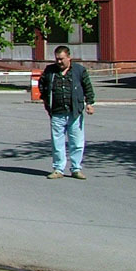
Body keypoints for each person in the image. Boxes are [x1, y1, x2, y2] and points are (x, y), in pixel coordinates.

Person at [38, 45, 95, 179]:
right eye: (57, 59)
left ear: (69, 57)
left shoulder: (79, 70)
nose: (59, 62)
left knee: (77, 142)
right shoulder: (50, 71)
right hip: (57, 113)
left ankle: (76, 168)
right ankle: (58, 169)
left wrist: (90, 103)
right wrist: (46, 99)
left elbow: (88, 87)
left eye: (61, 59)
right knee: (57, 143)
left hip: (74, 113)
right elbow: (42, 85)